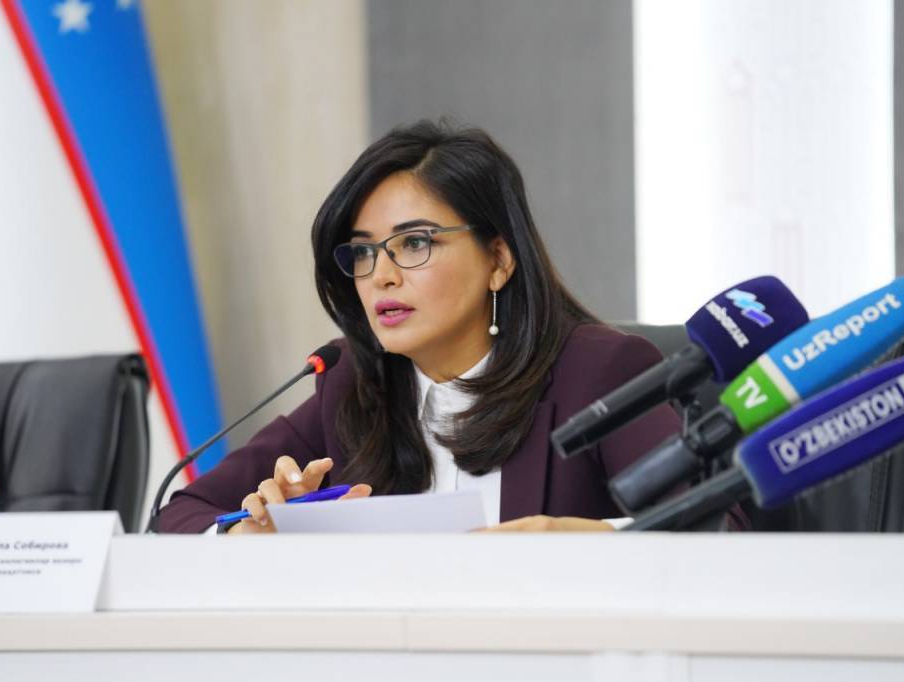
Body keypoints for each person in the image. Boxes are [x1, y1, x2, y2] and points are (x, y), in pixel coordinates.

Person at [158, 119, 681, 534]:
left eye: (414, 243)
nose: (381, 276)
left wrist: (588, 539)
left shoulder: (597, 372)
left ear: (498, 260)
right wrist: (246, 535)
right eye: (363, 251)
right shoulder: (351, 384)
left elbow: (708, 523)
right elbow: (179, 514)